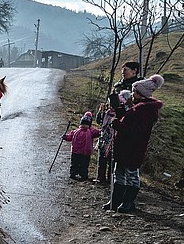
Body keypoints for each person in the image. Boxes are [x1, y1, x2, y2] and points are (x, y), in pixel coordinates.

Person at [103, 74, 164, 212]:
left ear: (142, 94)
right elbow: (127, 121)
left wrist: (117, 124)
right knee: (119, 174)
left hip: (133, 149)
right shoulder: (137, 108)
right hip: (124, 147)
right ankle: (116, 201)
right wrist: (118, 110)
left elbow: (135, 131)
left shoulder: (145, 111)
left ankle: (128, 202)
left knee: (131, 176)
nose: (132, 93)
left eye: (135, 91)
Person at [94, 89, 131, 184]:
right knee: (102, 159)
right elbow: (99, 121)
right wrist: (101, 112)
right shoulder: (106, 112)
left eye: (111, 104)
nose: (109, 106)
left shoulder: (120, 113)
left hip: (114, 139)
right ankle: (100, 177)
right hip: (104, 138)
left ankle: (111, 179)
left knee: (112, 160)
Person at [62, 111, 101, 180]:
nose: (84, 126)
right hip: (85, 153)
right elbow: (98, 132)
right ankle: (83, 175)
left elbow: (70, 137)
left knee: (75, 163)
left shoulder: (76, 131)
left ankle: (73, 174)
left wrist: (65, 137)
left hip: (75, 151)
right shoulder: (91, 131)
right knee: (84, 165)